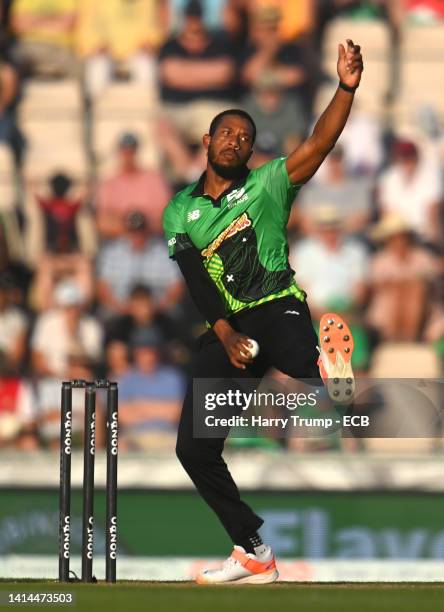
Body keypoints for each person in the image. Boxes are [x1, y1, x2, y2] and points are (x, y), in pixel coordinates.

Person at [162, 40, 363, 584]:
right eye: (227, 131)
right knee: (195, 450)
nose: (237, 139)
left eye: (246, 136)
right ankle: (252, 549)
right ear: (207, 141)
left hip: (276, 304)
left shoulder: (269, 183)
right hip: (228, 329)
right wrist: (225, 333)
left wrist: (345, 88)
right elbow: (194, 276)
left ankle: (323, 368)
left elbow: (320, 141)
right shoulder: (181, 209)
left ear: (253, 150)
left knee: (290, 346)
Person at [95, 132, 172, 238]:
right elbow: (102, 222)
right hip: (120, 241)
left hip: (151, 240)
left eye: (131, 151)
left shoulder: (154, 179)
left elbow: (168, 217)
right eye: (125, 151)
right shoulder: (109, 183)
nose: (128, 156)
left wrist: (143, 225)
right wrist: (128, 227)